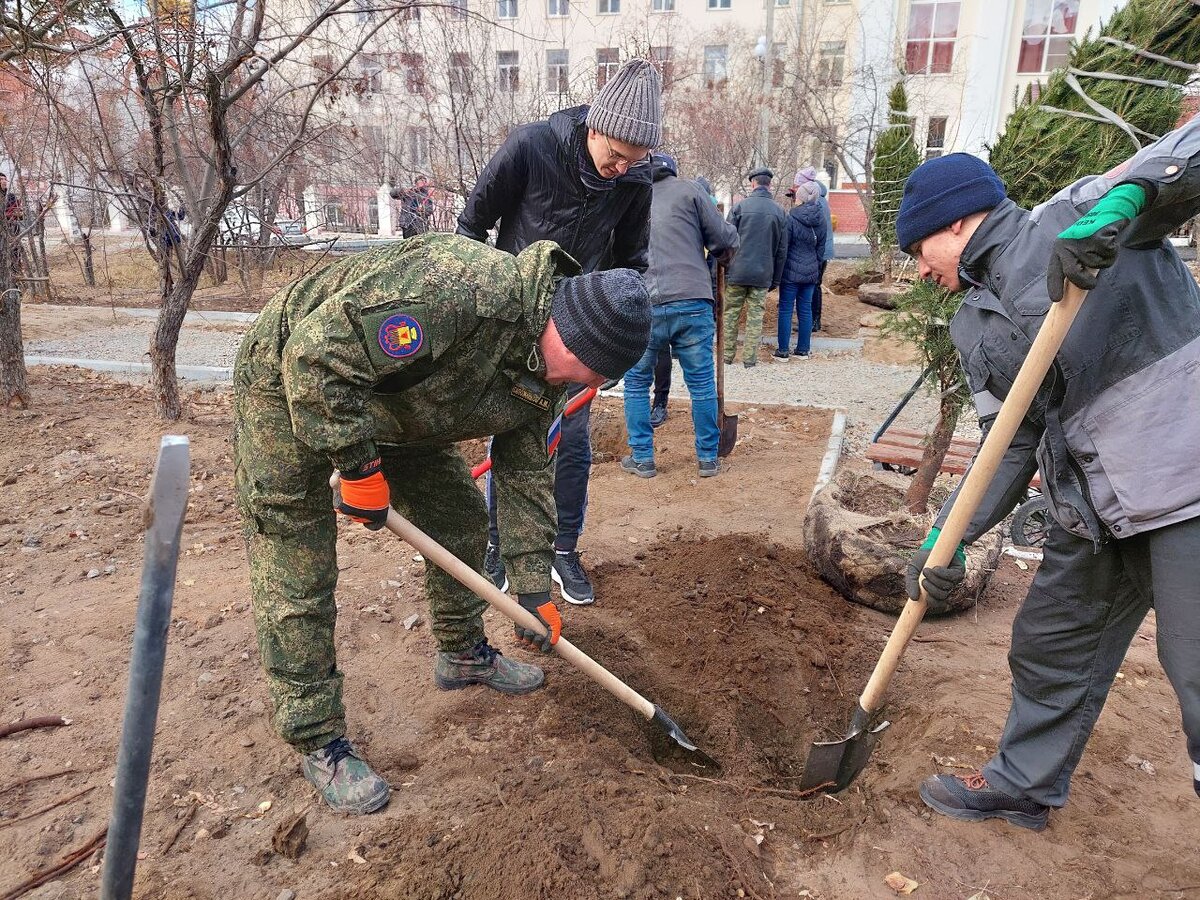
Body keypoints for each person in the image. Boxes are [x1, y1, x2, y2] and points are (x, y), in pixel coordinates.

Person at [233, 233, 650, 815]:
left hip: (400, 403)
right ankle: (318, 738)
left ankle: (460, 652)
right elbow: (314, 357)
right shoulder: (461, 290)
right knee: (298, 567)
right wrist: (357, 466)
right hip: (289, 382)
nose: (580, 385)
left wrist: (532, 587)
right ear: (563, 327)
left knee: (459, 516)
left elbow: (526, 474)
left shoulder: (548, 373)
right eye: (583, 369)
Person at [895, 120, 1200, 832]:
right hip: (1090, 510)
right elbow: (1011, 442)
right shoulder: (975, 324)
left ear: (959, 220)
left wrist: (1123, 206)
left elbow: (1186, 154)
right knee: (1051, 645)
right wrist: (949, 537)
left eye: (919, 247)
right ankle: (1023, 784)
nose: (917, 268)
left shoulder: (1075, 217)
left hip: (1183, 480)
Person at [457, 58, 661, 605]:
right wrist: (479, 308)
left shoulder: (634, 180)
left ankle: (563, 550)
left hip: (580, 332)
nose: (622, 167)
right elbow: (471, 227)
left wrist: (616, 333)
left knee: (571, 443)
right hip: (514, 322)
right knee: (513, 433)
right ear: (594, 125)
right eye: (615, 154)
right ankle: (499, 544)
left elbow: (632, 261)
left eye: (633, 160)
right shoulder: (531, 147)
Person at [620, 153, 739, 478]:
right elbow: (725, 238)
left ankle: (643, 458)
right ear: (672, 170)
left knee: (636, 384)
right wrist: (723, 252)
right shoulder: (690, 191)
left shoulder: (628, 197)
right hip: (692, 300)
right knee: (701, 383)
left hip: (643, 304)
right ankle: (707, 458)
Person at [723, 167, 787, 368]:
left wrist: (725, 268)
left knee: (730, 313)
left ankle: (726, 356)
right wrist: (775, 279)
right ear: (770, 184)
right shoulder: (779, 212)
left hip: (737, 272)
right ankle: (750, 359)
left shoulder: (739, 208)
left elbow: (726, 239)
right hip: (762, 273)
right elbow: (782, 250)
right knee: (755, 317)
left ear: (753, 183)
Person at [774, 178, 828, 361]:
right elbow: (821, 249)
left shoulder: (791, 218)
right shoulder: (821, 220)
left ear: (801, 197)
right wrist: (814, 265)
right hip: (811, 272)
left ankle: (782, 351)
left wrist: (779, 270)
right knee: (805, 310)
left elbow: (784, 247)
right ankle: (803, 350)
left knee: (786, 309)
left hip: (790, 272)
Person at [794, 166, 835, 331]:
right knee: (814, 285)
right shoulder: (821, 198)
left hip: (819, 251)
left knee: (814, 285)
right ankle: (811, 320)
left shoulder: (818, 202)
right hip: (821, 249)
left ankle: (814, 321)